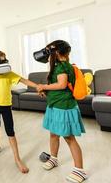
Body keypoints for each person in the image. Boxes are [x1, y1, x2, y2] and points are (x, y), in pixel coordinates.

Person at [37, 40, 87, 183]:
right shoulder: (59, 66)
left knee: (69, 138)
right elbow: (59, 85)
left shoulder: (62, 67)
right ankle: (54, 158)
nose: (46, 55)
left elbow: (62, 84)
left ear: (56, 53)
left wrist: (44, 87)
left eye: (48, 52)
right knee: (53, 134)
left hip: (64, 106)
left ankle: (80, 170)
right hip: (55, 104)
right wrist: (46, 91)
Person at [0, 51, 40, 174]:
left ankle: (17, 159)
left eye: (1, 61)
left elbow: (24, 81)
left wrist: (38, 86)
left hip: (6, 107)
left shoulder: (9, 74)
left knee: (10, 132)